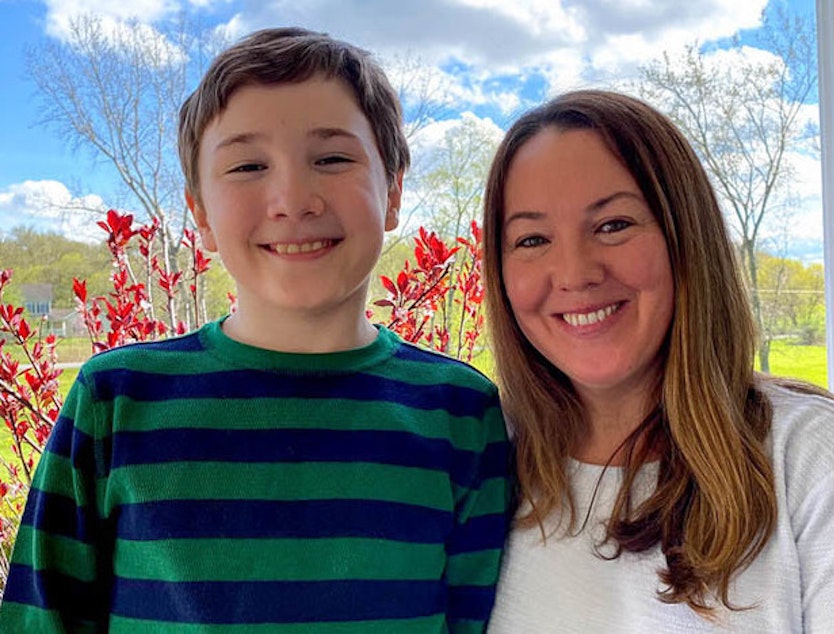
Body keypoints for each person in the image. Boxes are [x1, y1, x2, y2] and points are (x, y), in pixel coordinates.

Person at [0, 27, 511, 632]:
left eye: (332, 158)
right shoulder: (116, 402)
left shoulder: (459, 412)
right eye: (247, 165)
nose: (292, 199)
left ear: (393, 190)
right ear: (200, 216)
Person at [481, 89, 834, 632]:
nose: (575, 273)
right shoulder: (483, 455)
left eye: (613, 225)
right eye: (532, 239)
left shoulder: (812, 458)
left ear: (685, 237)